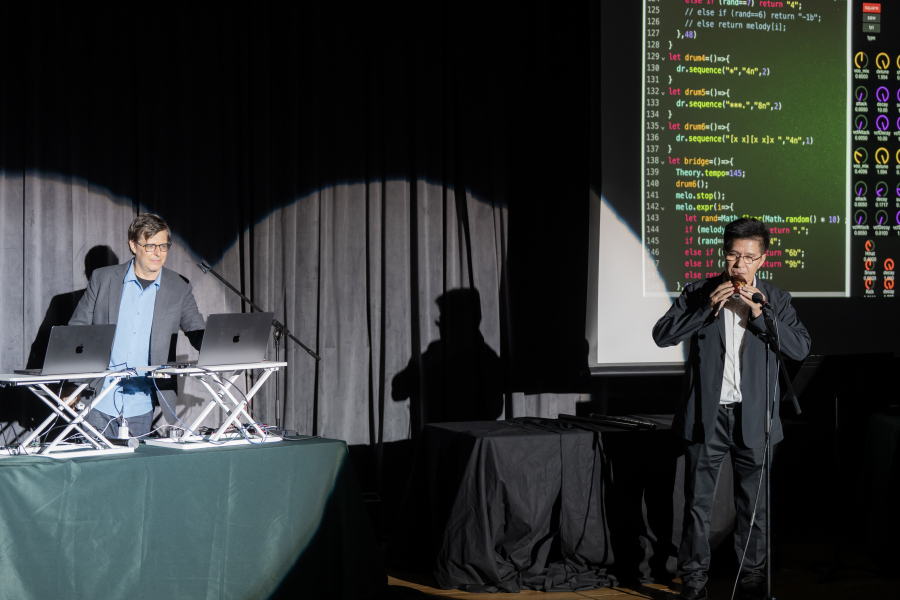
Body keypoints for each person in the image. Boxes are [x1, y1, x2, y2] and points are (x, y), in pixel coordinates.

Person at [652, 218, 810, 600]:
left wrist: (759, 316)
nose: (740, 264)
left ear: (763, 259)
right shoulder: (699, 292)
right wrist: (706, 309)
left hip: (754, 416)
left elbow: (800, 347)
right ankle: (693, 582)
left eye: (749, 257)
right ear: (723, 255)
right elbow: (662, 335)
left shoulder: (776, 299)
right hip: (707, 416)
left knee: (754, 507)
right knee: (697, 504)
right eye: (733, 255)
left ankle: (752, 580)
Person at [69, 214, 205, 438]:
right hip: (98, 396)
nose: (158, 253)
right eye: (150, 246)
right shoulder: (103, 279)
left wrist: (233, 350)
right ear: (133, 245)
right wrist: (73, 384)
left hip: (142, 403)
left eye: (163, 246)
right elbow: (77, 331)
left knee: (136, 461)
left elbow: (197, 331)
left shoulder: (179, 287)